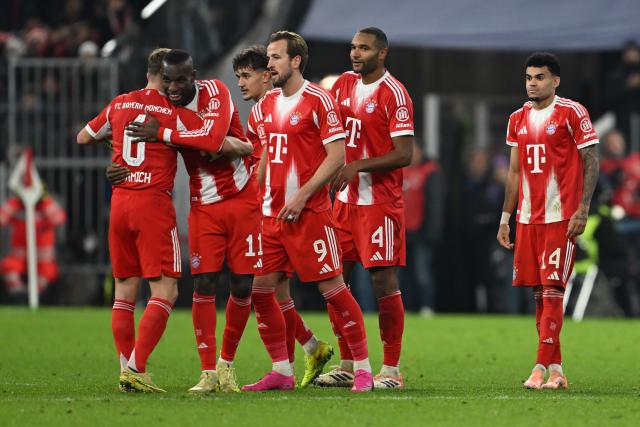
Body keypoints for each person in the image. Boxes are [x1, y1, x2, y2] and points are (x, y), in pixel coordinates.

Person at [242, 31, 372, 392]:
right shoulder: (265, 106)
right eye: (268, 57)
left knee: (334, 289)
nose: (269, 64)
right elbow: (265, 156)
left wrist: (302, 196)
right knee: (263, 291)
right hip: (271, 217)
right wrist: (256, 197)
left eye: (276, 57)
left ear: (296, 60)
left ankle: (362, 367)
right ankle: (281, 371)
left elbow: (337, 157)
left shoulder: (318, 100)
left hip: (310, 214)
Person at [121, 49, 257, 394]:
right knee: (204, 284)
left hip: (243, 199)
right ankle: (209, 372)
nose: (173, 87)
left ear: (194, 75)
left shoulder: (216, 92)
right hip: (203, 207)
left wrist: (170, 134)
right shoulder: (163, 109)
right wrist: (117, 169)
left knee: (243, 285)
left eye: (181, 80)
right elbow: (131, 141)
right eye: (167, 80)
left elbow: (211, 140)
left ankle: (227, 364)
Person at [77, 48, 181, 393]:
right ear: (166, 76)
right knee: (165, 290)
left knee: (124, 291)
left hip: (120, 202)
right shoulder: (171, 110)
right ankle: (136, 368)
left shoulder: (120, 102)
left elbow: (82, 136)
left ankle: (126, 369)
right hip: (152, 204)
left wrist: (114, 145)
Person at [315, 27, 414, 389]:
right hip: (343, 203)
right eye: (353, 47)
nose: (356, 54)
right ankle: (347, 361)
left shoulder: (394, 94)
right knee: (332, 279)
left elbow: (405, 153)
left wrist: (358, 165)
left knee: (382, 281)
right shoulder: (341, 85)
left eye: (364, 48)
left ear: (382, 53)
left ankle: (391, 369)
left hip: (380, 204)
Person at [232, 45, 333, 388]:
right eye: (238, 77)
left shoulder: (279, 107)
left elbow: (265, 167)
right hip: (270, 212)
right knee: (278, 294)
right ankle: (307, 349)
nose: (242, 84)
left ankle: (290, 363)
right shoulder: (258, 113)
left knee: (268, 291)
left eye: (247, 76)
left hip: (285, 212)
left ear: (266, 75)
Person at [497, 52, 599, 390]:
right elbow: (514, 172)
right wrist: (505, 218)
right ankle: (557, 370)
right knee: (540, 295)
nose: (532, 83)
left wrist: (582, 208)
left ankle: (539, 366)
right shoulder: (517, 119)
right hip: (527, 220)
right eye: (528, 77)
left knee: (554, 290)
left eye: (539, 77)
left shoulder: (571, 112)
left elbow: (591, 159)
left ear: (555, 81)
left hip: (561, 217)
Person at [0, 190, 66, 301]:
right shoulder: (17, 205)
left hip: (42, 257)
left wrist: (44, 201)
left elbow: (59, 219)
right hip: (20, 255)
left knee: (46, 273)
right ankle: (19, 296)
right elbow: (2, 218)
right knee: (9, 268)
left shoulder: (46, 205)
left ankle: (36, 297)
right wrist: (16, 202)